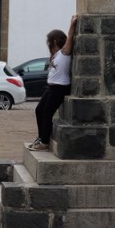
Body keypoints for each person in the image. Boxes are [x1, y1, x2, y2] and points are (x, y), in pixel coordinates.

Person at [29, 15, 78, 151]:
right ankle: (41, 138)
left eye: (49, 41)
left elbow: (70, 37)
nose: (47, 44)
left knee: (47, 113)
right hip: (51, 87)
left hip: (60, 88)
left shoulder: (64, 53)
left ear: (54, 41)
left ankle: (44, 142)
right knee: (39, 110)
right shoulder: (56, 56)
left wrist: (72, 24)